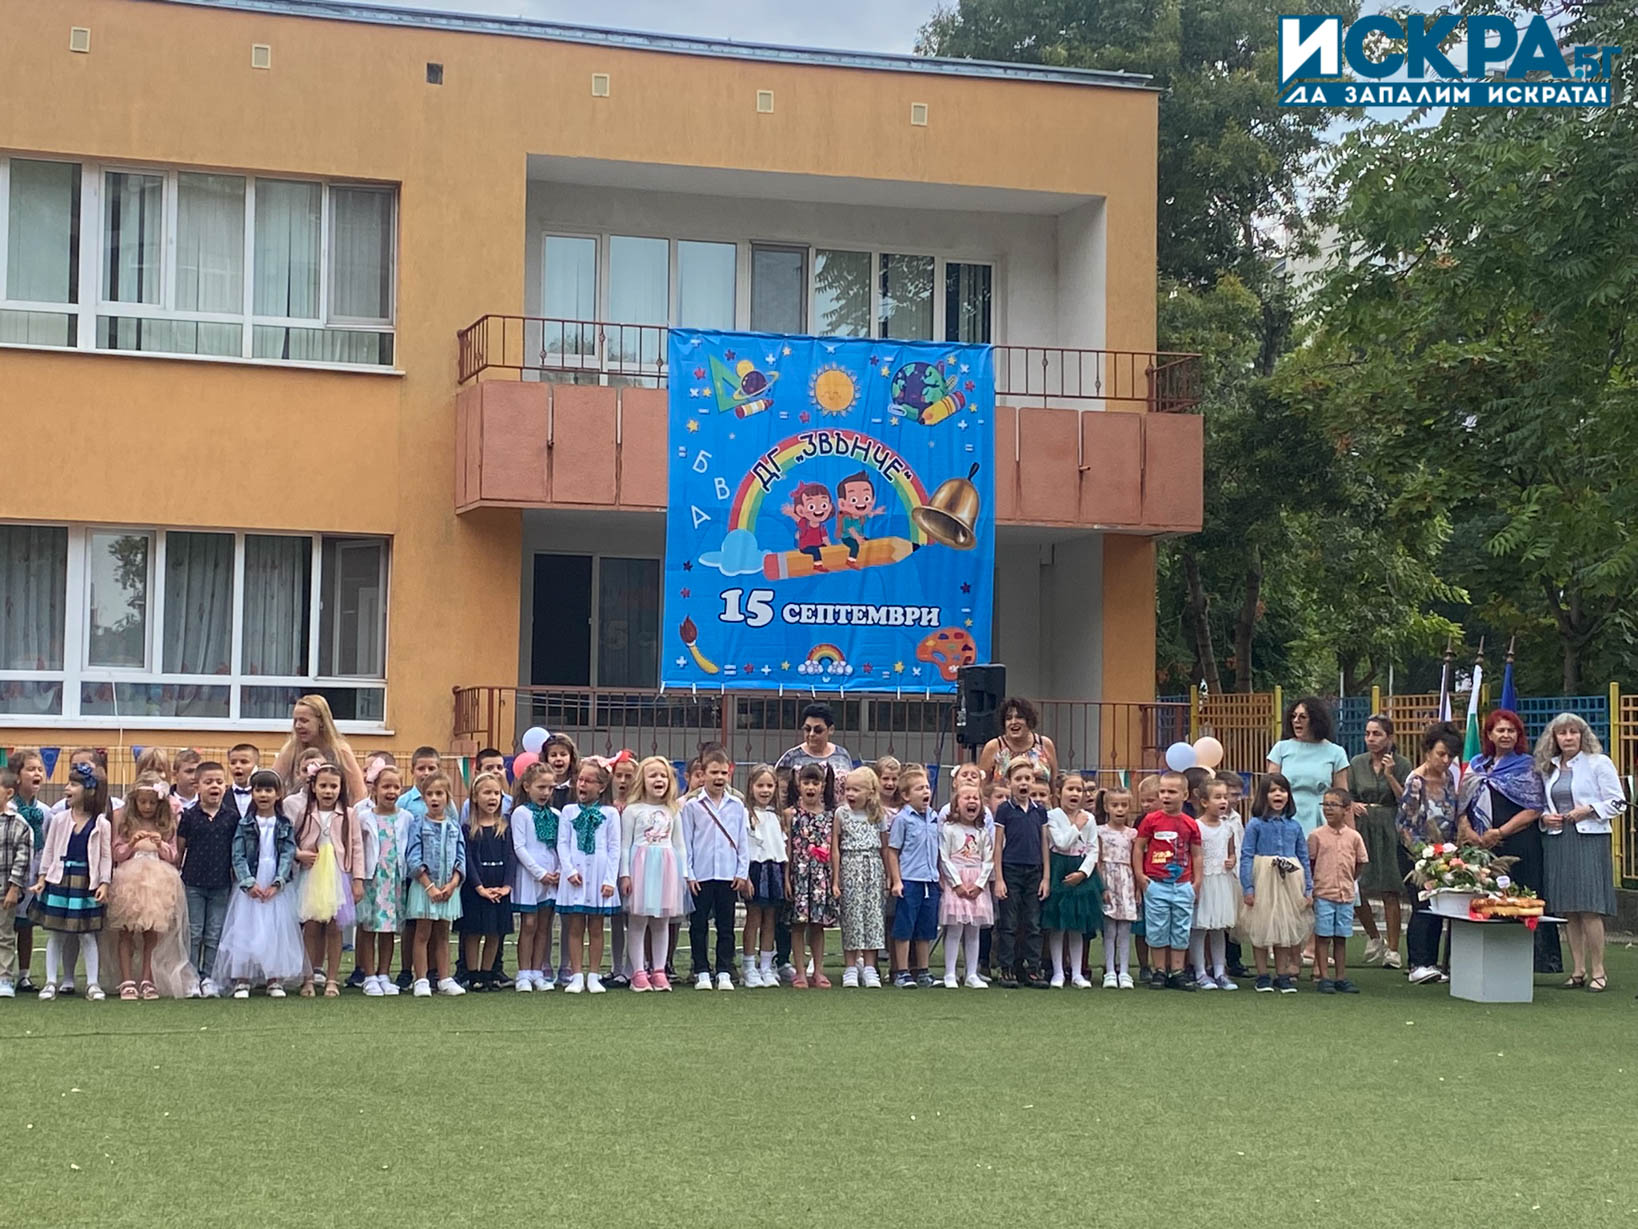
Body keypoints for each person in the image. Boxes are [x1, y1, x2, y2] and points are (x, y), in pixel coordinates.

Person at [1456, 708, 1560, 974]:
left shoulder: (1527, 765)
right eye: (1500, 730)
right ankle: (1486, 956)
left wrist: (1500, 832)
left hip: (1518, 842)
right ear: (1489, 734)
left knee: (1523, 897)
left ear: (1518, 735)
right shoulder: (1477, 765)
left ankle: (1533, 960)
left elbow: (1534, 808)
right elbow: (1461, 804)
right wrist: (1468, 831)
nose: (1505, 735)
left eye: (1511, 731)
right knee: (1484, 897)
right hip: (1480, 845)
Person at [1536, 713, 1623, 994]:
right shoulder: (1549, 767)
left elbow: (1618, 802)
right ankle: (1577, 970)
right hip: (1558, 840)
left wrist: (1589, 810)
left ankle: (1598, 970)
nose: (1568, 738)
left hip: (1588, 839)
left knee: (1589, 907)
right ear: (1554, 738)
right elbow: (1543, 803)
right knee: (1569, 909)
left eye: (1574, 732)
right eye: (1562, 733)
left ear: (1583, 735)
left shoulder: (1598, 763)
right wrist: (1544, 818)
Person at [215, 770, 303, 999]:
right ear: (252, 793)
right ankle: (242, 979)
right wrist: (248, 882)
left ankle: (273, 979)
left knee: (274, 929)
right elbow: (238, 855)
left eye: (269, 790)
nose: (263, 795)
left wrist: (278, 882)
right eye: (259, 790)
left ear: (278, 794)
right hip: (251, 883)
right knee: (246, 928)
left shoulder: (284, 824)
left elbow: (287, 853)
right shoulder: (245, 823)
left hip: (274, 881)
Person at [29, 763, 112, 1000]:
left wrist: (104, 883)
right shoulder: (59, 819)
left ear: (89, 790)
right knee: (56, 933)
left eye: (74, 784)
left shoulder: (101, 823)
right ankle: (50, 982)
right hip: (60, 881)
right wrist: (42, 878)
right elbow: (49, 850)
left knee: (86, 934)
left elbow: (105, 856)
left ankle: (93, 983)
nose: (67, 788)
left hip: (86, 882)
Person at [107, 776, 193, 1000]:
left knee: (151, 932)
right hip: (129, 881)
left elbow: (173, 856)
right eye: (142, 802)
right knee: (125, 931)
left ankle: (148, 978)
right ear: (134, 802)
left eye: (152, 803)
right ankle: (127, 979)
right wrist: (131, 843)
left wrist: (160, 843)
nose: (147, 807)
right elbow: (117, 854)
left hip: (157, 882)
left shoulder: (165, 824)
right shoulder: (125, 823)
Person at [1395, 722, 1463, 987]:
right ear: (1428, 751)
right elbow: (1404, 826)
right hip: (1415, 854)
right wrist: (1423, 859)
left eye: (1450, 756)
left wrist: (1450, 853)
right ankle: (1417, 963)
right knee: (1422, 904)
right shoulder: (1415, 781)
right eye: (1441, 754)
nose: (1445, 761)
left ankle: (1432, 963)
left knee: (1439, 906)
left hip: (1444, 853)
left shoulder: (1449, 779)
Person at [293, 763, 364, 998]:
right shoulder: (304, 813)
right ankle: (308, 978)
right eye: (323, 785)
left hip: (337, 874)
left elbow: (357, 848)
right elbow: (291, 841)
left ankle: (332, 978)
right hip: (312, 874)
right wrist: (299, 854)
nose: (328, 791)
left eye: (333, 786)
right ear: (313, 787)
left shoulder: (349, 814)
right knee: (311, 927)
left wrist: (358, 880)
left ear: (341, 788)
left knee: (335, 927)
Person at [1347, 715, 1412, 970]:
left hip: (1389, 824)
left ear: (1389, 737)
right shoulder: (1357, 763)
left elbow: (1406, 799)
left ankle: (1393, 950)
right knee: (1357, 886)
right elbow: (1347, 794)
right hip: (1362, 825)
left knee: (1390, 887)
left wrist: (1390, 775)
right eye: (1368, 734)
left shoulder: (1402, 763)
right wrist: (1352, 804)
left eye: (1377, 734)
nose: (1371, 739)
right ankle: (1374, 936)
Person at [1239, 772, 1313, 993]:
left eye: (1282, 790)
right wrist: (1248, 887)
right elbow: (1246, 855)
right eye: (1272, 791)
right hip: (1263, 878)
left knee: (1284, 926)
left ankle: (1282, 974)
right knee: (1262, 926)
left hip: (1289, 881)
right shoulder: (1255, 825)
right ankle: (1262, 974)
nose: (1278, 794)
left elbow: (1303, 857)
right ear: (1264, 795)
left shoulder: (1294, 826)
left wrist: (1308, 887)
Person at [620, 756, 689, 994]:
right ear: (643, 781)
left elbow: (680, 845)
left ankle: (659, 970)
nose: (658, 779)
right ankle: (638, 972)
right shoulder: (632, 811)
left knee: (662, 922)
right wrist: (625, 874)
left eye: (663, 775)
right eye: (653, 775)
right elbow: (624, 845)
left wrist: (683, 875)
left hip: (666, 869)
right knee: (638, 921)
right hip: (641, 868)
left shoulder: (673, 810)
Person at [556, 760, 622, 994]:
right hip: (576, 875)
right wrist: (569, 871)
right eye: (580, 780)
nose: (582, 785)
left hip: (599, 874)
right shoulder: (568, 811)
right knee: (575, 926)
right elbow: (563, 843)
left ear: (601, 787)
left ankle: (593, 975)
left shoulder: (610, 813)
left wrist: (610, 880)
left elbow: (614, 848)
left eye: (588, 781)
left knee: (596, 927)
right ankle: (576, 975)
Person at [1134, 771, 1202, 992]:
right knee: (1157, 928)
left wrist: (1197, 883)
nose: (1166, 796)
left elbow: (1197, 854)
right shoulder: (1150, 820)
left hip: (1182, 884)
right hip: (1156, 883)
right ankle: (1160, 970)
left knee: (1181, 928)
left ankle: (1178, 971)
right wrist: (1140, 876)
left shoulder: (1190, 824)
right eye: (1162, 791)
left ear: (1185, 795)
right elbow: (1139, 847)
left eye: (1171, 792)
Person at [176, 762, 236, 998]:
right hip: (193, 883)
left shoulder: (232, 817)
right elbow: (181, 848)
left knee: (214, 932)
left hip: (221, 883)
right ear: (197, 786)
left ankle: (208, 976)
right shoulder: (189, 816)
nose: (214, 786)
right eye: (208, 782)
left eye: (219, 782)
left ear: (225, 786)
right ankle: (191, 977)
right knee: (194, 932)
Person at [404, 770, 466, 996]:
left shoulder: (454, 826)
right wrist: (429, 886)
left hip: (448, 888)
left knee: (442, 934)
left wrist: (453, 883)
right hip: (425, 888)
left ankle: (444, 978)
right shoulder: (419, 824)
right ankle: (421, 979)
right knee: (422, 933)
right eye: (429, 794)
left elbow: (461, 856)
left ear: (448, 797)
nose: (434, 798)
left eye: (439, 793)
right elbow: (413, 856)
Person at [993, 759, 1049, 989]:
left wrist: (1046, 877)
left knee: (1033, 922)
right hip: (1011, 870)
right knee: (1009, 922)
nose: (1023, 783)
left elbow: (1044, 844)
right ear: (1009, 783)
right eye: (1018, 779)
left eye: (1027, 778)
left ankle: (1032, 967)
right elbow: (998, 845)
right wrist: (999, 878)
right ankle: (1007, 967)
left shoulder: (1040, 811)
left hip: (1034, 871)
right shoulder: (1004, 810)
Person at [1041, 771, 1100, 989]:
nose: (1075, 793)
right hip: (1059, 869)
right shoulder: (1052, 816)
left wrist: (1083, 873)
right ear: (1059, 792)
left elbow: (1094, 849)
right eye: (1070, 789)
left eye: (1079, 790)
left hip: (1080, 872)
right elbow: (1061, 843)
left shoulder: (1089, 818)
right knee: (1057, 926)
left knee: (1077, 926)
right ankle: (1058, 971)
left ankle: (1077, 973)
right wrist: (1077, 826)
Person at [457, 771, 514, 992]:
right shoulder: (468, 828)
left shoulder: (504, 827)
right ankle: (473, 975)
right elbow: (468, 859)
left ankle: (488, 973)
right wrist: (479, 887)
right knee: (473, 932)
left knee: (494, 932)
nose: (492, 797)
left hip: (499, 886)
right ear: (475, 797)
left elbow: (511, 857)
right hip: (477, 888)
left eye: (497, 793)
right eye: (487, 792)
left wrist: (506, 886)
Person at [784, 761, 839, 988]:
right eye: (806, 782)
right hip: (799, 874)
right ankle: (799, 971)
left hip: (821, 876)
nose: (810, 787)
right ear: (799, 785)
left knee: (818, 924)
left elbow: (834, 850)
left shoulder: (831, 816)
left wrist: (835, 880)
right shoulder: (791, 814)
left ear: (822, 785)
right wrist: (786, 878)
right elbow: (788, 848)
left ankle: (818, 970)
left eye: (815, 783)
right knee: (798, 924)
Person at [886, 764, 941, 989]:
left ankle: (923, 970)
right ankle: (901, 971)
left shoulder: (934, 817)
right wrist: (897, 880)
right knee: (904, 927)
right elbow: (893, 851)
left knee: (926, 929)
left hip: (931, 880)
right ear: (906, 796)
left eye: (927, 787)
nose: (926, 791)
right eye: (919, 788)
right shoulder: (903, 819)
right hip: (910, 880)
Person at [1310, 789, 1368, 994]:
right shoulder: (1316, 835)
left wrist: (1350, 879)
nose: (1328, 809)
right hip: (1324, 893)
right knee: (1323, 935)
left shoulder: (1354, 837)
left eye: (1333, 805)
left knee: (1341, 936)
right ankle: (1324, 976)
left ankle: (1341, 976)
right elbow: (1311, 862)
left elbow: (1360, 862)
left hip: (1345, 894)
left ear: (1346, 809)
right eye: (1325, 804)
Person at [354, 761, 405, 997]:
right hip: (371, 880)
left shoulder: (406, 818)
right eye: (386, 786)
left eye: (396, 787)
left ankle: (384, 973)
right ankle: (369, 975)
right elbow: (357, 848)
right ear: (375, 789)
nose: (391, 791)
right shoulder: (363, 817)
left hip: (394, 880)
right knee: (368, 927)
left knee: (388, 929)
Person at [1265, 695, 1350, 835]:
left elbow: (1342, 797)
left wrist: (1349, 834)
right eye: (1293, 716)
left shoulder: (1336, 752)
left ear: (1316, 720)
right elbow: (1270, 790)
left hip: (1321, 821)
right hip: (1285, 819)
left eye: (1302, 717)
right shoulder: (1280, 749)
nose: (1296, 720)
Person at [937, 781, 993, 988]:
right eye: (966, 798)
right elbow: (944, 857)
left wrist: (980, 884)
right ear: (956, 804)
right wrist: (956, 883)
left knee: (973, 931)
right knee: (955, 930)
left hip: (976, 884)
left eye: (975, 798)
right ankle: (950, 973)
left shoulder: (982, 832)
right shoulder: (949, 829)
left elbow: (988, 860)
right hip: (957, 883)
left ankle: (971, 973)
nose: (972, 801)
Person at [835, 766, 887, 988]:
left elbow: (885, 847)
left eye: (856, 790)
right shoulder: (841, 814)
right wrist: (836, 879)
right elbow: (835, 847)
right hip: (850, 865)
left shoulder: (877, 815)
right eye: (848, 789)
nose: (850, 794)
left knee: (873, 916)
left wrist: (889, 876)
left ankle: (869, 967)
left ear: (870, 792)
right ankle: (850, 967)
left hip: (873, 867)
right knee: (852, 916)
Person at [510, 762, 560, 992]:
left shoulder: (556, 815)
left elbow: (561, 845)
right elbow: (519, 847)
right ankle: (523, 972)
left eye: (550, 788)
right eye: (541, 787)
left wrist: (559, 870)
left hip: (551, 874)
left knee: (544, 925)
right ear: (527, 786)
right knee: (529, 923)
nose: (546, 793)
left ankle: (538, 971)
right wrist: (539, 873)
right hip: (530, 874)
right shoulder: (521, 813)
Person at [1187, 778, 1241, 991]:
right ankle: (1200, 971)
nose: (1223, 801)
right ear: (1204, 802)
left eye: (1225, 797)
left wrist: (1232, 860)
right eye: (1217, 797)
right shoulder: (1197, 826)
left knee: (1219, 927)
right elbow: (1193, 855)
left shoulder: (1228, 827)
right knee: (1199, 928)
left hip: (1221, 881)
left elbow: (1231, 851)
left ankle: (1220, 971)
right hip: (1204, 881)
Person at [741, 764, 786, 989]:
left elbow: (782, 847)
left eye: (769, 785)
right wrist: (745, 877)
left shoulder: (777, 816)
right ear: (751, 787)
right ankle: (749, 966)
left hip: (774, 868)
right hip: (755, 869)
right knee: (754, 917)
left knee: (771, 919)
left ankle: (766, 966)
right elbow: (743, 847)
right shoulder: (745, 815)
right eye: (760, 785)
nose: (765, 790)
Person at [271, 694, 365, 801]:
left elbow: (359, 793)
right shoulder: (291, 749)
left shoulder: (340, 751)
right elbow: (272, 782)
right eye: (295, 721)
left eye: (304, 721)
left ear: (321, 721)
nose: (298, 726)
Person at [9, 749, 49, 993]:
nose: (37, 774)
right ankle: (4, 973)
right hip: (10, 870)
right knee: (6, 926)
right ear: (17, 775)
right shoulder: (8, 808)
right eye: (31, 769)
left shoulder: (45, 811)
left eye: (40, 769)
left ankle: (24, 975)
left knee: (26, 925)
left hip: (34, 872)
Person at [1094, 787, 1139, 989]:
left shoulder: (1133, 834)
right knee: (1109, 929)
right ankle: (1110, 970)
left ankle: (1125, 971)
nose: (1119, 809)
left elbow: (1136, 861)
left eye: (1124, 805)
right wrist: (1102, 887)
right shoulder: (1100, 831)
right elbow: (1098, 860)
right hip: (1108, 880)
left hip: (1126, 881)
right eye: (1115, 805)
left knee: (1125, 930)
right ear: (1106, 807)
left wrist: (1137, 887)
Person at [977, 697, 1059, 783]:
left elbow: (1054, 782)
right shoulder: (993, 746)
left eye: (1019, 717)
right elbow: (982, 784)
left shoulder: (1045, 744)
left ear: (1029, 721)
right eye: (1008, 718)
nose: (1013, 722)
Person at [0, 770, 30, 998]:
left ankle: (5, 977)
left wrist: (14, 887)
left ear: (8, 793)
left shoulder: (18, 823)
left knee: (5, 936)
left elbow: (22, 858)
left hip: (4, 890)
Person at [227, 744, 261, 819]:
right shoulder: (221, 796)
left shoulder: (266, 796)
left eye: (244, 762)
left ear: (256, 766)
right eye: (233, 763)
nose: (237, 766)